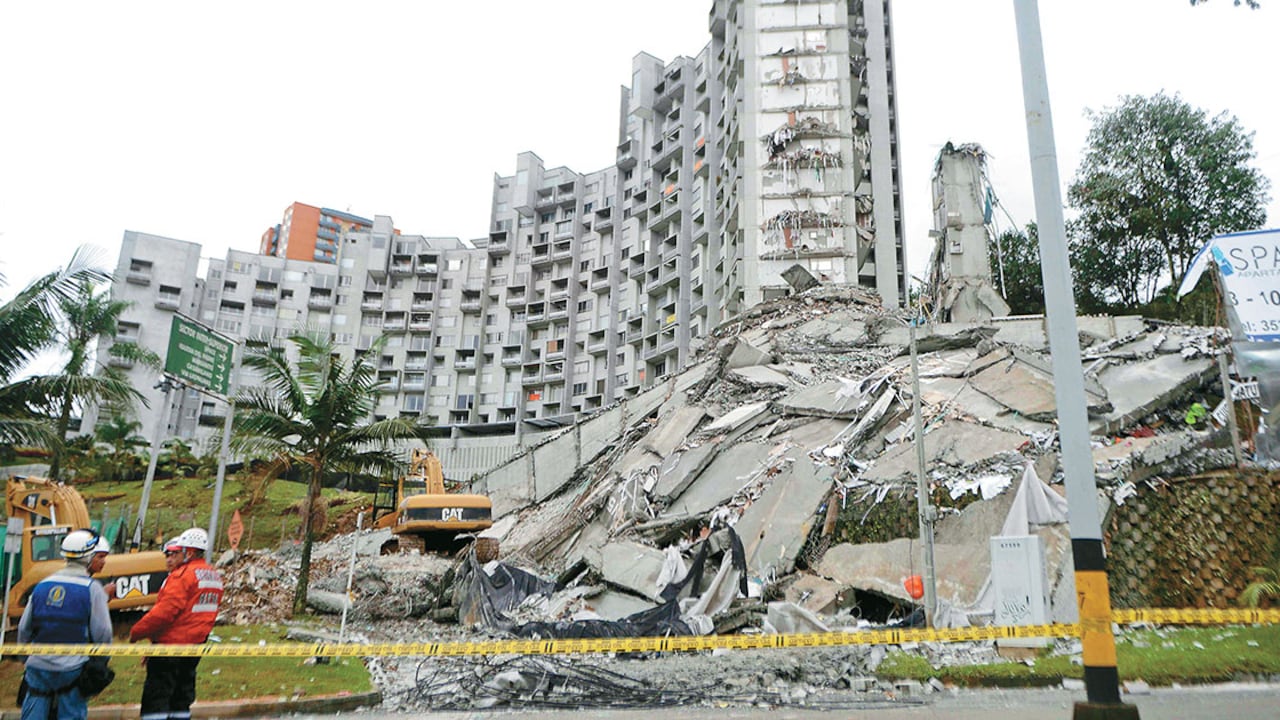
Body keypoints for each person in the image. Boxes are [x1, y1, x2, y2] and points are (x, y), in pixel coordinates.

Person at [17, 529, 113, 720]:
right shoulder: (92, 589)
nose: (103, 561)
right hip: (72, 669)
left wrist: (26, 658)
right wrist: (100, 662)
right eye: (99, 556)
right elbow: (103, 632)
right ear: (88, 557)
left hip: (38, 667)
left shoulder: (42, 586)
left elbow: (24, 628)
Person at [129, 527, 224, 720]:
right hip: (195, 645)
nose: (174, 557)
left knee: (157, 697)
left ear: (189, 552)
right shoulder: (213, 575)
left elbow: (164, 613)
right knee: (181, 696)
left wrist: (137, 632)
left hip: (171, 646)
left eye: (179, 552)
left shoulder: (182, 576)